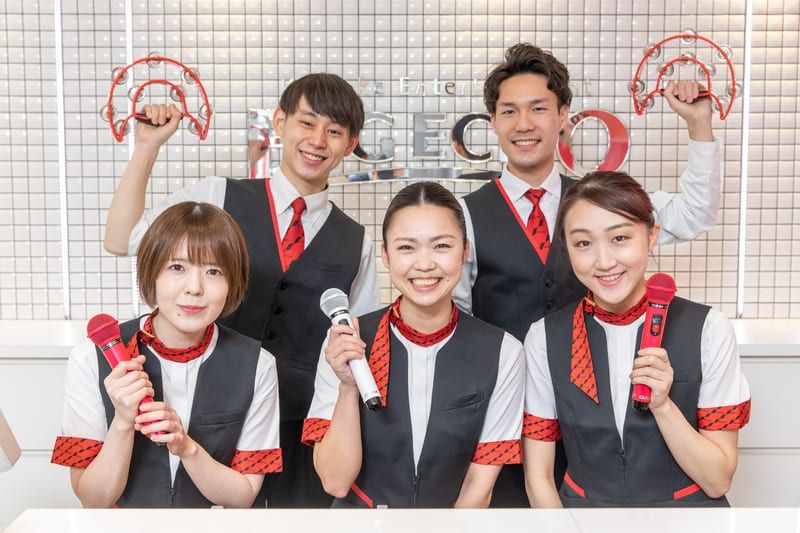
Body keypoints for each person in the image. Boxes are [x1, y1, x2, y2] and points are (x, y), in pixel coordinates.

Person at [454, 42, 723, 506]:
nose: (524, 124)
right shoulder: (463, 215)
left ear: (563, 116)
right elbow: (456, 316)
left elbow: (694, 213)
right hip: (502, 416)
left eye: (539, 108)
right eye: (509, 111)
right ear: (493, 121)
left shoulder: (601, 202)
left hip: (598, 418)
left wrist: (699, 126)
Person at [102, 73, 380, 507]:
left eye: (334, 131)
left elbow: (356, 347)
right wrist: (147, 147)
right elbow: (121, 240)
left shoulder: (356, 241)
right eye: (307, 123)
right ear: (280, 122)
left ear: (351, 143)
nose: (317, 140)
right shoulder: (217, 196)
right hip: (210, 426)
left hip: (303, 437)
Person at [522, 171, 750, 507]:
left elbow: (718, 481)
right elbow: (538, 477)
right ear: (566, 248)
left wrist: (663, 405)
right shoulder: (544, 337)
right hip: (583, 519)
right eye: (583, 243)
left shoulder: (709, 330)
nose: (604, 262)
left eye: (619, 238)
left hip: (688, 519)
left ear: (651, 235)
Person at [302, 181, 524, 508]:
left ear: (465, 251)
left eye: (441, 246)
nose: (424, 264)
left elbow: (479, 487)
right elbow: (335, 481)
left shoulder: (503, 352)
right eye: (407, 247)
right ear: (385, 254)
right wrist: (349, 386)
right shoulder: (348, 340)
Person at [51, 202, 282, 508]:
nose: (195, 288)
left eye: (213, 271)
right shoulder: (91, 359)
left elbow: (242, 496)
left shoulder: (257, 365)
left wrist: (186, 447)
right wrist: (123, 421)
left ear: (232, 283)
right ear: (151, 272)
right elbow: (93, 500)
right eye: (177, 268)